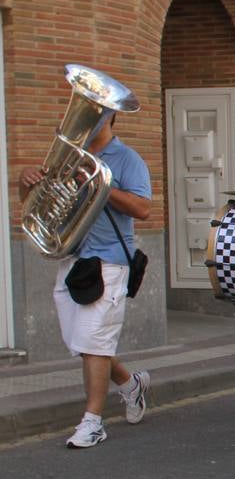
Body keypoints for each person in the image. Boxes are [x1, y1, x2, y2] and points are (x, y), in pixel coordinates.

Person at [20, 113, 152, 449]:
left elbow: (142, 207)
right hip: (71, 258)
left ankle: (93, 421)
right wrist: (27, 183)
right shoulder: (69, 156)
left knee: (94, 341)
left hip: (109, 261)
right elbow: (38, 203)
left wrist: (100, 185)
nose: (87, 119)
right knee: (82, 343)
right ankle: (130, 383)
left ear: (111, 117)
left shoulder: (127, 158)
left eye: (96, 112)